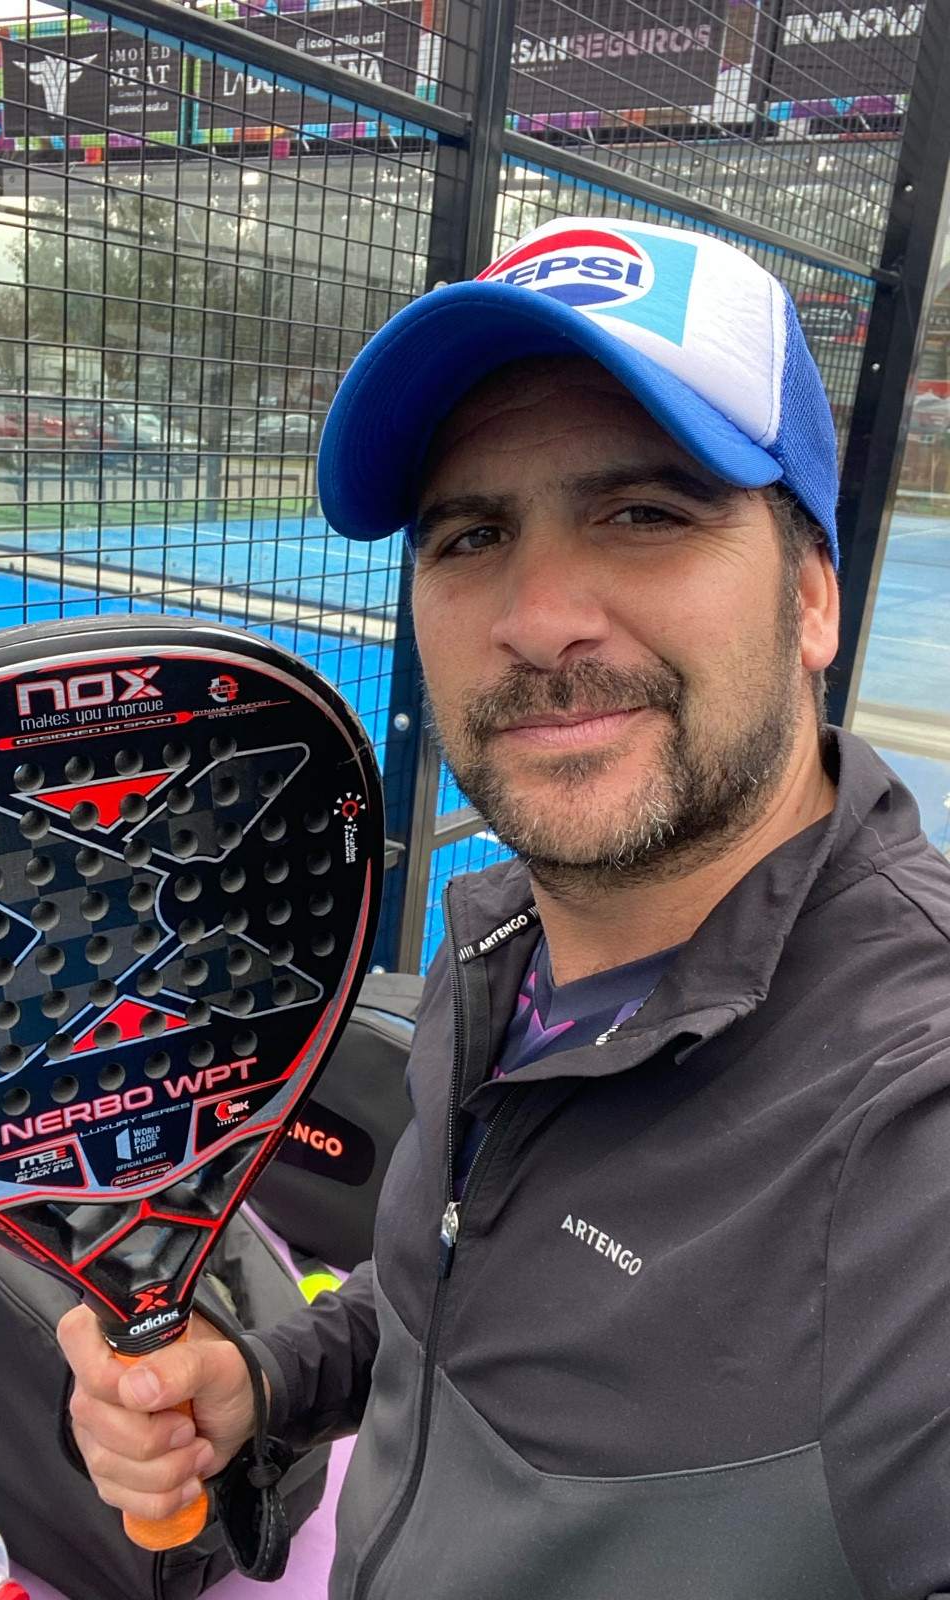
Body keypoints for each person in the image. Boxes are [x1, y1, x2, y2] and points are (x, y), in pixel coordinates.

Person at [58, 217, 950, 1599]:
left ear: (813, 597)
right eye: (472, 535)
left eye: (644, 514)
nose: (537, 617)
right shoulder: (502, 943)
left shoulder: (915, 1131)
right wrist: (272, 1377)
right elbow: (465, 1270)